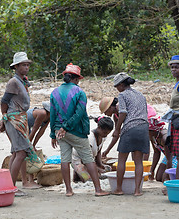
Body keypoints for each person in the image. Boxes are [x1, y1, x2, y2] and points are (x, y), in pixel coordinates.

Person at [50, 63, 109, 197]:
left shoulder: (55, 92)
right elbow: (79, 113)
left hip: (60, 131)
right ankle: (98, 189)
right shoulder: (79, 93)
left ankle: (68, 190)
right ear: (76, 79)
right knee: (88, 159)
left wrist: (53, 133)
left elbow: (52, 115)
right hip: (76, 131)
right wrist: (66, 127)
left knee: (65, 160)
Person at [0, 52, 41, 194]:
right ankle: (11, 187)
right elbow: (4, 101)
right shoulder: (13, 82)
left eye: (28, 65)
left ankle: (8, 185)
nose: (26, 67)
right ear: (16, 66)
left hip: (20, 119)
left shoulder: (22, 81)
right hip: (14, 119)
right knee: (21, 152)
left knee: (16, 152)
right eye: (23, 65)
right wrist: (4, 116)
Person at [111, 72, 150, 196]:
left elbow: (123, 113)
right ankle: (137, 190)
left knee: (122, 159)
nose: (117, 88)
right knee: (138, 161)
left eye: (117, 86)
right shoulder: (140, 95)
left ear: (122, 85)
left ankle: (118, 188)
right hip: (143, 128)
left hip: (130, 128)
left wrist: (117, 129)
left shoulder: (122, 95)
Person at [71, 116, 114, 182]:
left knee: (108, 169)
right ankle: (78, 172)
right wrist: (98, 169)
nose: (106, 135)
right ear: (99, 127)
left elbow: (98, 151)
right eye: (105, 133)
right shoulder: (90, 139)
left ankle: (83, 173)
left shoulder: (102, 137)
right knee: (89, 179)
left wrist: (100, 164)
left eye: (108, 133)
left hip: (90, 161)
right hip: (79, 161)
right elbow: (85, 160)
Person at [20, 101, 50, 189]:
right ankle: (26, 181)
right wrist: (29, 144)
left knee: (28, 152)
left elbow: (41, 132)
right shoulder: (42, 113)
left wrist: (34, 144)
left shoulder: (49, 118)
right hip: (23, 125)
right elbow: (35, 129)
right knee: (24, 153)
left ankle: (30, 180)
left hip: (28, 127)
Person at [146, 104, 172, 181]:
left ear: (153, 130)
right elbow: (156, 152)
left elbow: (170, 159)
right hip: (167, 157)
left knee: (164, 179)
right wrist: (151, 171)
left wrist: (167, 175)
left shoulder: (165, 137)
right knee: (158, 178)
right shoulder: (153, 136)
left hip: (176, 157)